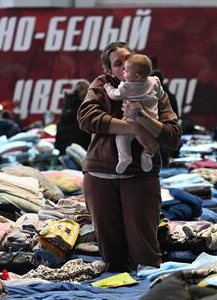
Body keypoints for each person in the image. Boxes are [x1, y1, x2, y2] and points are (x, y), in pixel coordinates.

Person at [77, 41, 182, 272]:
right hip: (100, 174)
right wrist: (132, 128)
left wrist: (142, 117)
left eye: (128, 59)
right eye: (117, 63)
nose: (125, 66)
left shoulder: (154, 86)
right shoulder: (103, 86)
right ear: (109, 71)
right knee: (112, 256)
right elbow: (86, 118)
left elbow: (173, 137)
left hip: (140, 175)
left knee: (145, 253)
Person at [104, 54, 161, 174]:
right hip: (153, 119)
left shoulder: (127, 86)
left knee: (121, 136)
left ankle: (125, 157)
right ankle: (147, 154)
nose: (123, 71)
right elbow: (160, 94)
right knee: (152, 141)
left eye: (126, 70)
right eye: (119, 65)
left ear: (136, 76)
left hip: (131, 119)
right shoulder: (155, 80)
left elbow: (115, 95)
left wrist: (108, 88)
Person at [150, 69, 180, 166]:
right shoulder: (169, 95)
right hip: (164, 130)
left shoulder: (160, 96)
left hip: (160, 129)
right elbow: (176, 115)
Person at [55, 80, 91, 155]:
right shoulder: (84, 109)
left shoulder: (67, 105)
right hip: (79, 152)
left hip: (62, 151)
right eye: (88, 90)